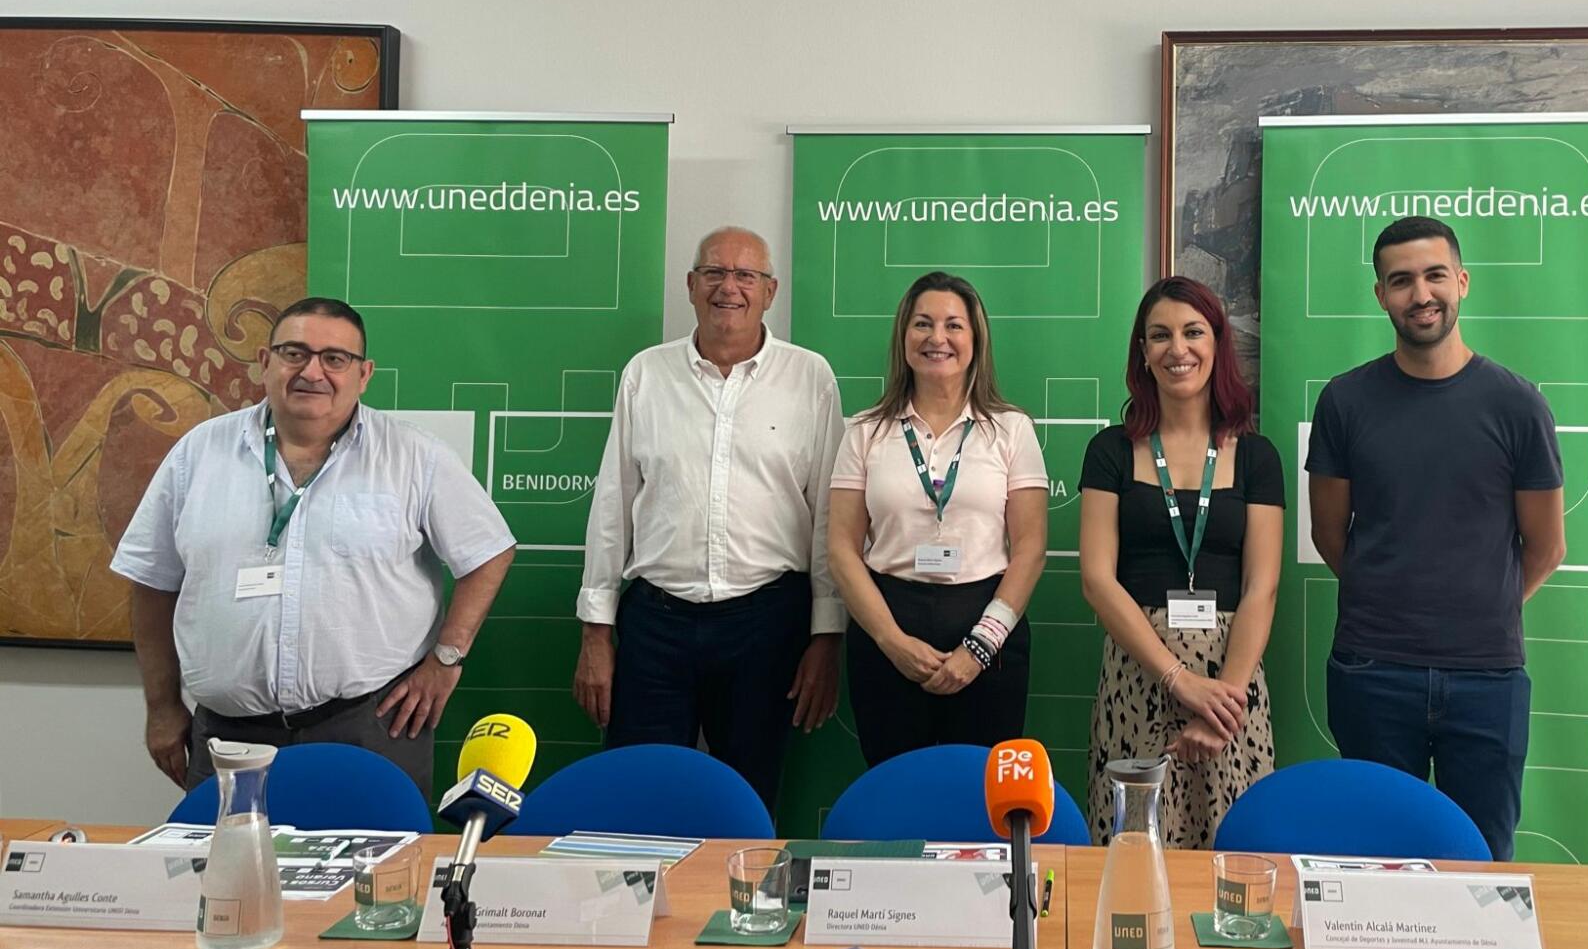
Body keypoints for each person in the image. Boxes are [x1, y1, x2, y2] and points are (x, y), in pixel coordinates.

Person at [112, 296, 516, 792]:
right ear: (265, 362)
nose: (312, 372)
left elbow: (489, 552)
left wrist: (446, 660)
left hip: (371, 728)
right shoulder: (198, 453)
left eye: (335, 358)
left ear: (363, 374)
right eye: (294, 353)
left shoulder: (414, 456)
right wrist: (161, 707)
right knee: (229, 847)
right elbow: (151, 582)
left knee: (376, 847)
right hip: (227, 736)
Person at [1306, 216, 1566, 861]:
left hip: (1488, 679)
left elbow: (1546, 546)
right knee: (1373, 857)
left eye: (1434, 275)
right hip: (1371, 671)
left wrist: (1482, 608)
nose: (1420, 294)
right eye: (1401, 281)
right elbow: (1329, 533)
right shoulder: (1344, 401)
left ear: (1462, 282)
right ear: (1380, 295)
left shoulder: (1518, 405)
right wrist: (1395, 601)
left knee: (1481, 867)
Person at [574, 226, 845, 812]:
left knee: (746, 803)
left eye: (746, 275)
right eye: (715, 273)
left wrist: (826, 636)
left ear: (770, 291)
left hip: (767, 625)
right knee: (639, 799)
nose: (729, 287)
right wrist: (596, 631)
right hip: (656, 623)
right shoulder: (646, 373)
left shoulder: (810, 378)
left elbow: (829, 515)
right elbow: (614, 503)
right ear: (691, 285)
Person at [1078, 276, 1282, 847]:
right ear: (1143, 352)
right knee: (1134, 851)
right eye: (1160, 335)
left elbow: (1262, 586)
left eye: (1193, 332)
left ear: (1217, 343)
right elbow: (1097, 579)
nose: (1178, 349)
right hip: (1138, 676)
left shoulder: (1257, 456)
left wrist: (1223, 702)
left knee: (1233, 854)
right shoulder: (1111, 451)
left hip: (1231, 684)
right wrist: (1178, 679)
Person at [828, 271, 1049, 765]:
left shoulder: (1011, 430)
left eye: (953, 325)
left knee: (978, 792)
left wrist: (980, 647)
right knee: (897, 789)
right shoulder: (864, 432)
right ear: (904, 336)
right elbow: (841, 548)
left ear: (975, 339)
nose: (937, 338)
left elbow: (1031, 549)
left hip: (987, 626)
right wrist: (892, 642)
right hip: (887, 626)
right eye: (923, 324)